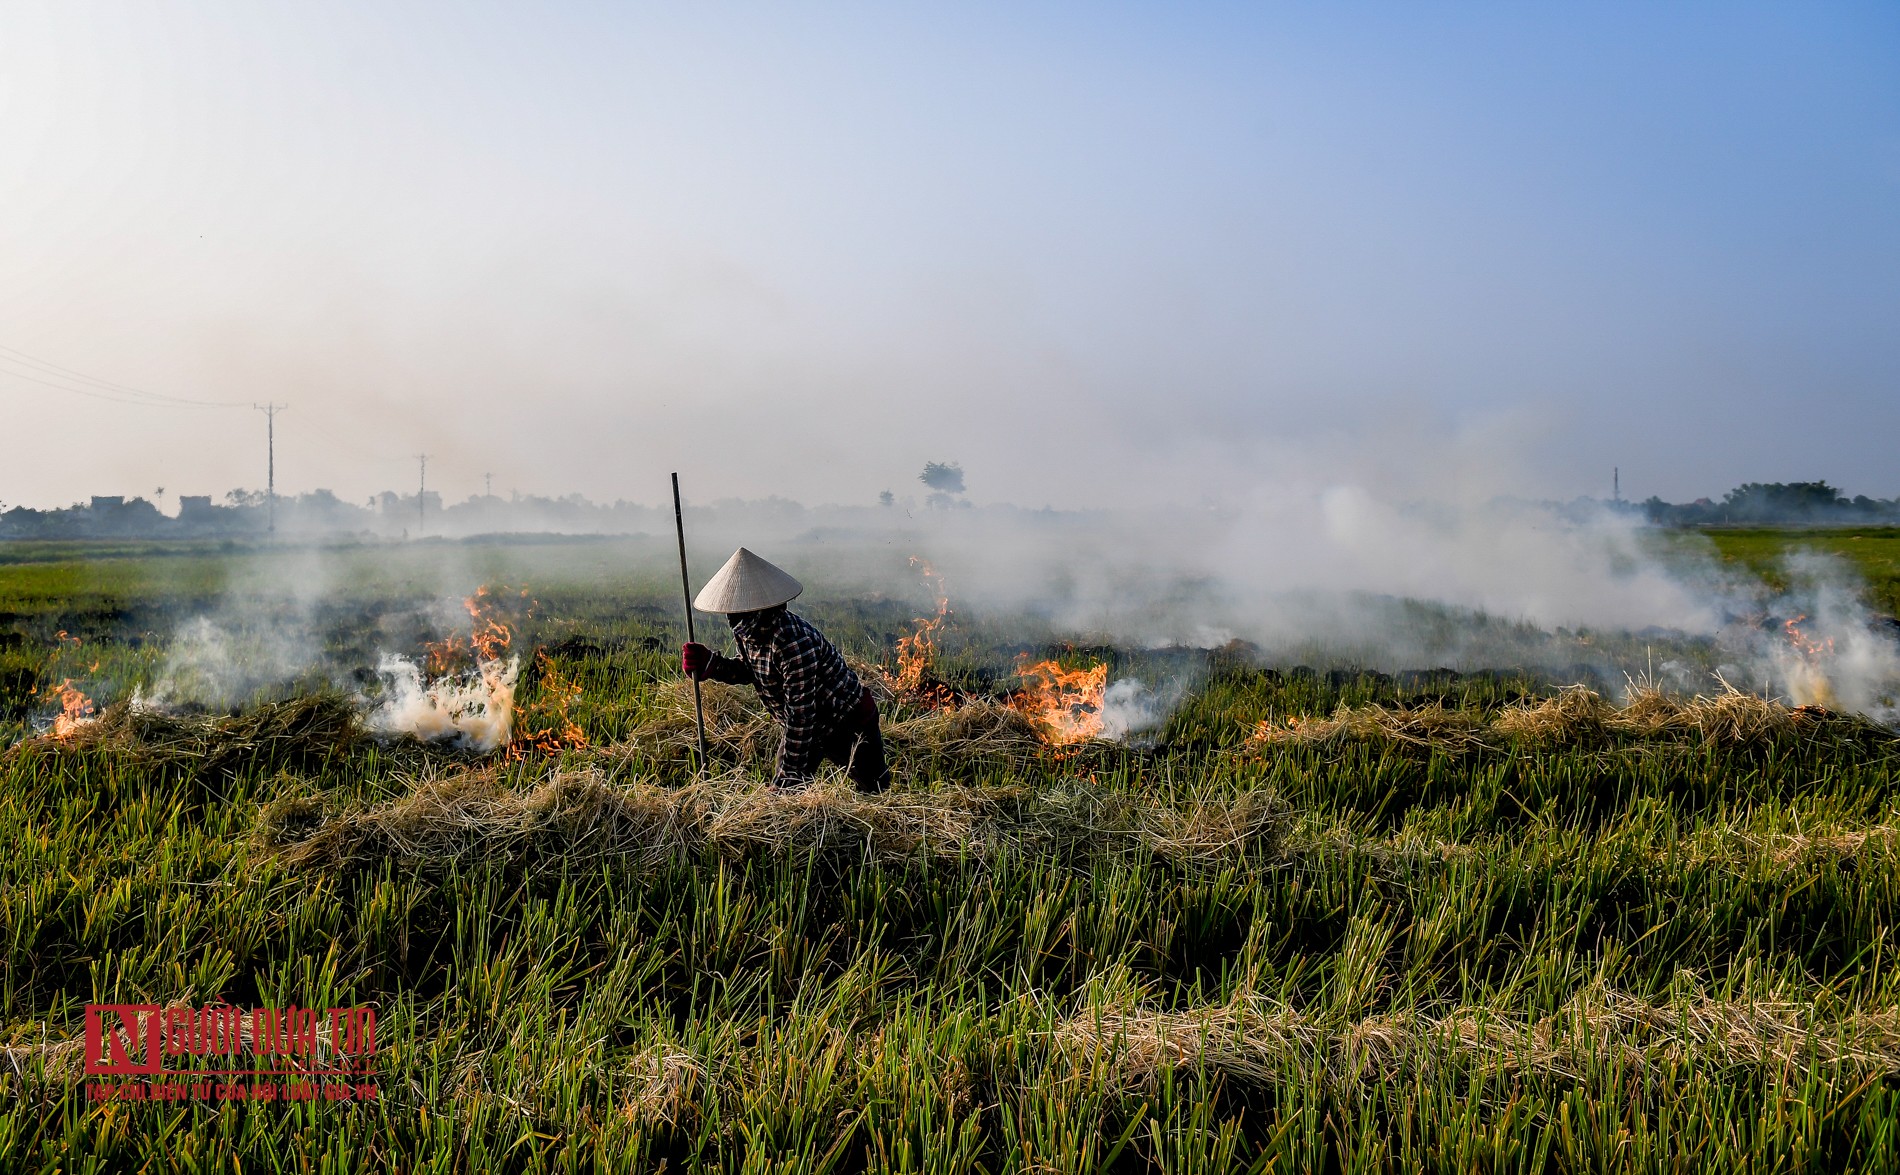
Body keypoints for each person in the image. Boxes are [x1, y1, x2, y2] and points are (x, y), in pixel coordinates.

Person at [681, 547, 890, 792]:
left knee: (874, 790)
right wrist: (712, 665)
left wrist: (789, 776)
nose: (734, 616)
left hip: (847, 720)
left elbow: (801, 716)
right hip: (806, 727)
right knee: (786, 798)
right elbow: (752, 670)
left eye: (741, 610)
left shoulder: (792, 643)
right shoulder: (748, 632)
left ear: (759, 606)